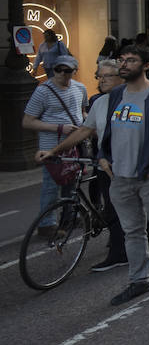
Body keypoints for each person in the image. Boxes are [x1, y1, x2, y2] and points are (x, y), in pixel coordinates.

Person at [38, 45, 149, 305]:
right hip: (120, 178)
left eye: (131, 60)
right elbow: (103, 132)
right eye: (122, 60)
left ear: (146, 66)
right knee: (132, 231)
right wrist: (102, 156)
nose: (124, 65)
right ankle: (138, 281)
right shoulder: (116, 95)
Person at [83, 60, 149, 272]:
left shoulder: (137, 99)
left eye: (107, 76)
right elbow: (86, 130)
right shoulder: (98, 102)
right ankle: (117, 254)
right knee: (112, 210)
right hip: (106, 165)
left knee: (137, 210)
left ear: (120, 78)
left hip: (132, 165)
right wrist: (57, 150)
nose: (101, 80)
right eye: (99, 76)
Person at [23, 53, 89, 231]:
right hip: (51, 146)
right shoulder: (43, 91)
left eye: (66, 70)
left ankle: (69, 218)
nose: (61, 73)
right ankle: (47, 224)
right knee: (51, 185)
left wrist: (87, 125)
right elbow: (27, 121)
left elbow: (82, 111)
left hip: (74, 144)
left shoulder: (80, 88)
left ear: (74, 71)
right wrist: (59, 127)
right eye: (57, 69)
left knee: (72, 183)